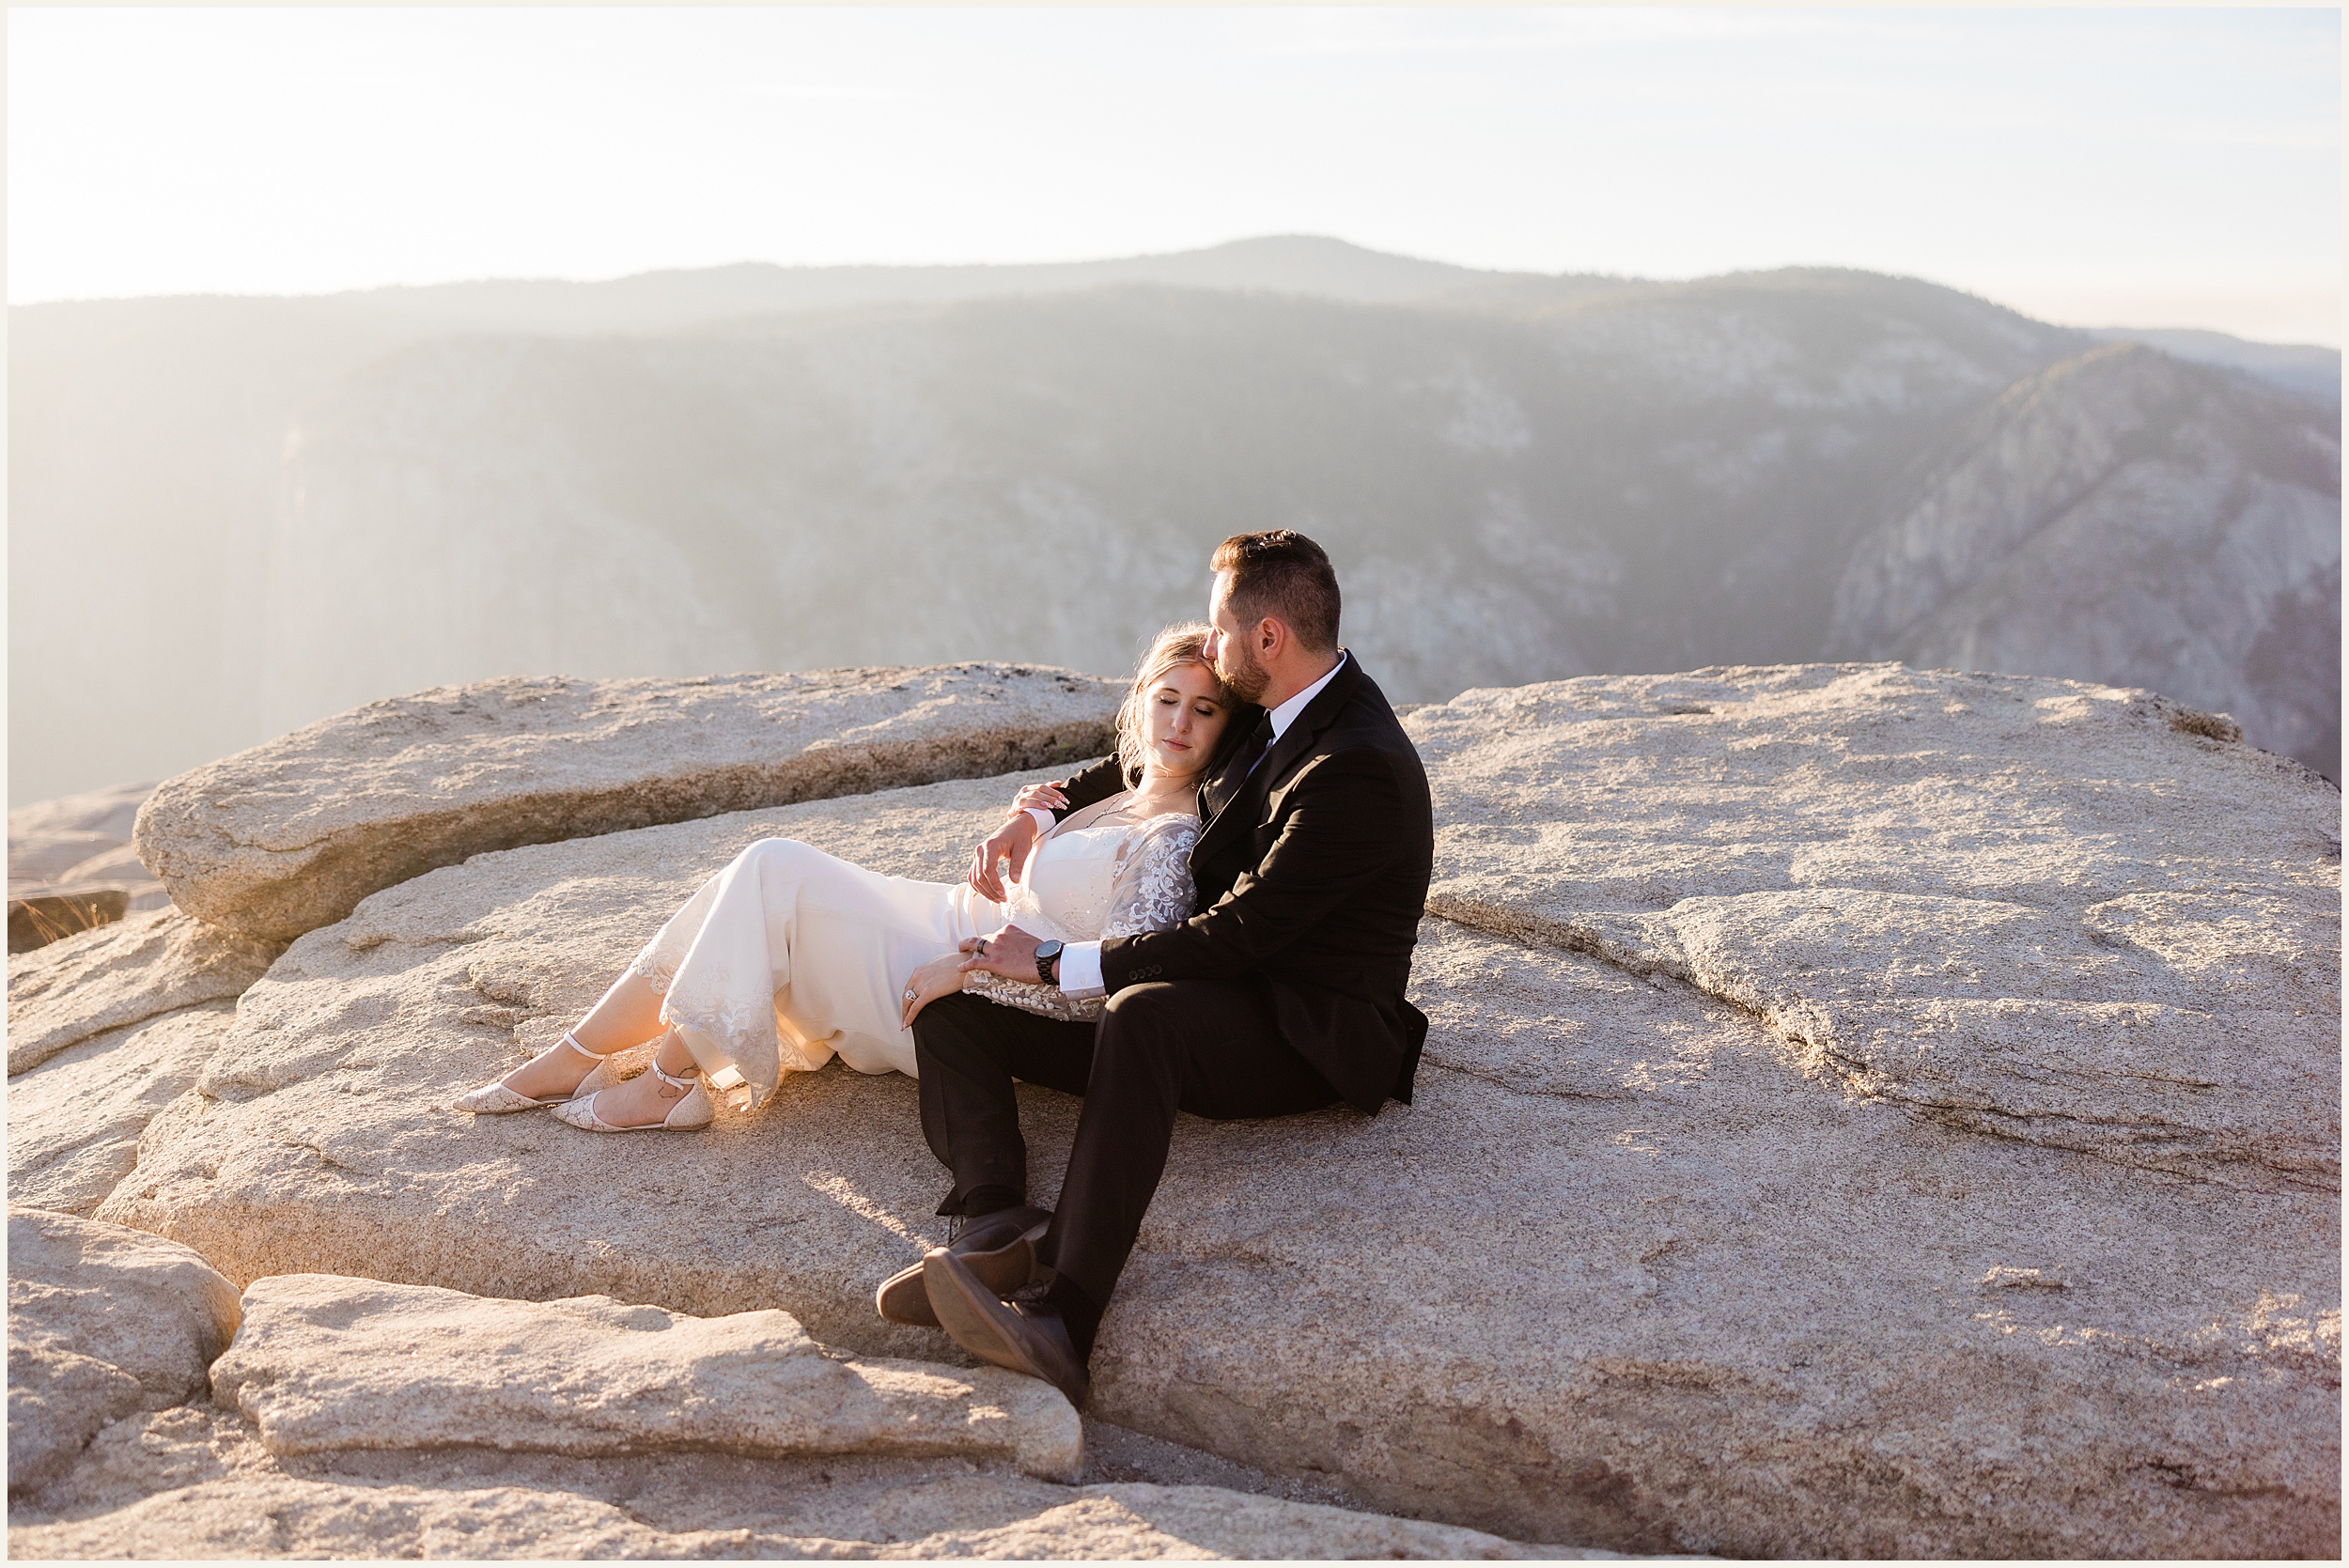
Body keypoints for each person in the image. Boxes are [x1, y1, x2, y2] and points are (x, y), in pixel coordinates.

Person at [904, 530, 1436, 1408]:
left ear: (1268, 638)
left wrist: (1047, 960)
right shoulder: (1286, 704)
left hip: (1301, 1029)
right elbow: (1144, 758)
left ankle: (1064, 1320)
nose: (1211, 650)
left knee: (1140, 1012)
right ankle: (998, 1220)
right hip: (1220, 993)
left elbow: (1240, 935)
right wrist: (1039, 812)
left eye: (1223, 632)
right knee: (959, 1011)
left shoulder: (1356, 767)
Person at [450, 626, 1238, 1155]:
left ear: (1225, 729)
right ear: (1141, 701)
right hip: (942, 914)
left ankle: (654, 1077)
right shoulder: (1118, 786)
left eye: (1204, 710)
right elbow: (1069, 805)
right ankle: (592, 1058)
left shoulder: (1174, 839)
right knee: (759, 876)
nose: (1179, 722)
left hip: (961, 982)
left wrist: (968, 970)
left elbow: (1109, 985)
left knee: (772, 871)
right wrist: (1030, 815)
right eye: (1166, 699)